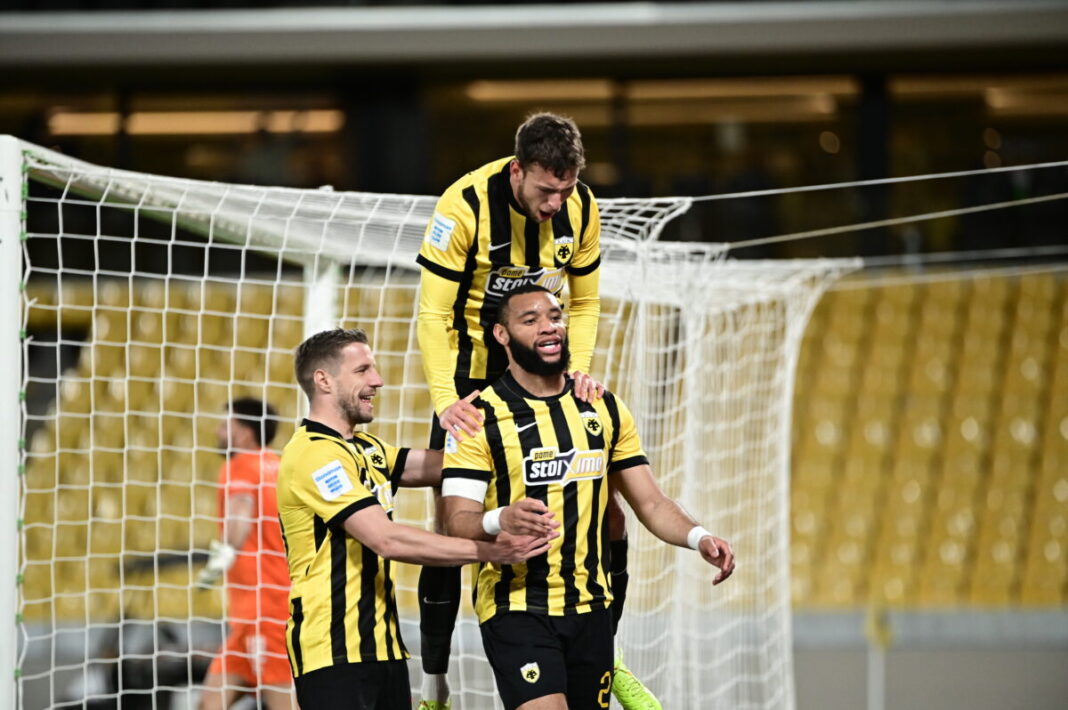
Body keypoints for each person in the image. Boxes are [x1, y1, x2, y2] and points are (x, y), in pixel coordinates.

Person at [415, 111, 640, 709]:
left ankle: (605, 651)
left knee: (608, 511)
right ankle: (434, 685)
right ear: (517, 171)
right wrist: (446, 402)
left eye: (566, 189)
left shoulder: (581, 207)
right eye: (546, 189)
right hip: (471, 376)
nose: (555, 202)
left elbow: (584, 301)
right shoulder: (463, 207)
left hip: (544, 364)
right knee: (450, 526)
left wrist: (578, 369)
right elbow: (433, 314)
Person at [441, 285, 736, 710]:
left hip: (593, 608)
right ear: (501, 335)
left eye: (555, 316)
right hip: (517, 605)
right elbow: (457, 521)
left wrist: (699, 537)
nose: (549, 327)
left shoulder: (603, 407)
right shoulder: (477, 418)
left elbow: (651, 503)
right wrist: (499, 518)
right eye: (530, 320)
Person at [276, 328, 555, 709]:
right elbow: (386, 539)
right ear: (323, 380)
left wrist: (491, 420)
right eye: (362, 370)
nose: (378, 380)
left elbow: (449, 465)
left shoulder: (368, 449)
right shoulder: (313, 455)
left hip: (384, 649)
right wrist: (490, 550)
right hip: (334, 651)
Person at [197, 397, 296, 710]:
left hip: (264, 612)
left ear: (244, 432)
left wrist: (212, 570)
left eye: (225, 425)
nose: (218, 431)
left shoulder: (238, 465)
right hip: (256, 613)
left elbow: (239, 518)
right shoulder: (279, 467)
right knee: (209, 704)